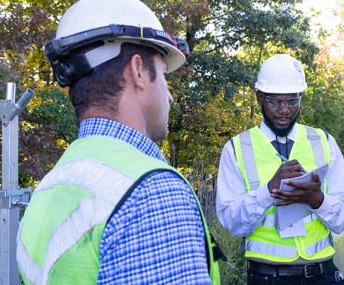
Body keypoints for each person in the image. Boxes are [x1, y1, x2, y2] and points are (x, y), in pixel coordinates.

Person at [15, 0, 221, 284]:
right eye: (162, 75)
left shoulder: (50, 188)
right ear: (138, 71)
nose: (170, 96)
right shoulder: (152, 193)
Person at [216, 53, 344, 285]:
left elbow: (343, 217)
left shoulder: (323, 141)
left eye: (293, 101)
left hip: (322, 274)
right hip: (267, 277)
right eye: (276, 101)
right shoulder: (236, 149)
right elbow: (232, 222)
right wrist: (267, 191)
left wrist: (318, 200)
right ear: (259, 98)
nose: (284, 110)